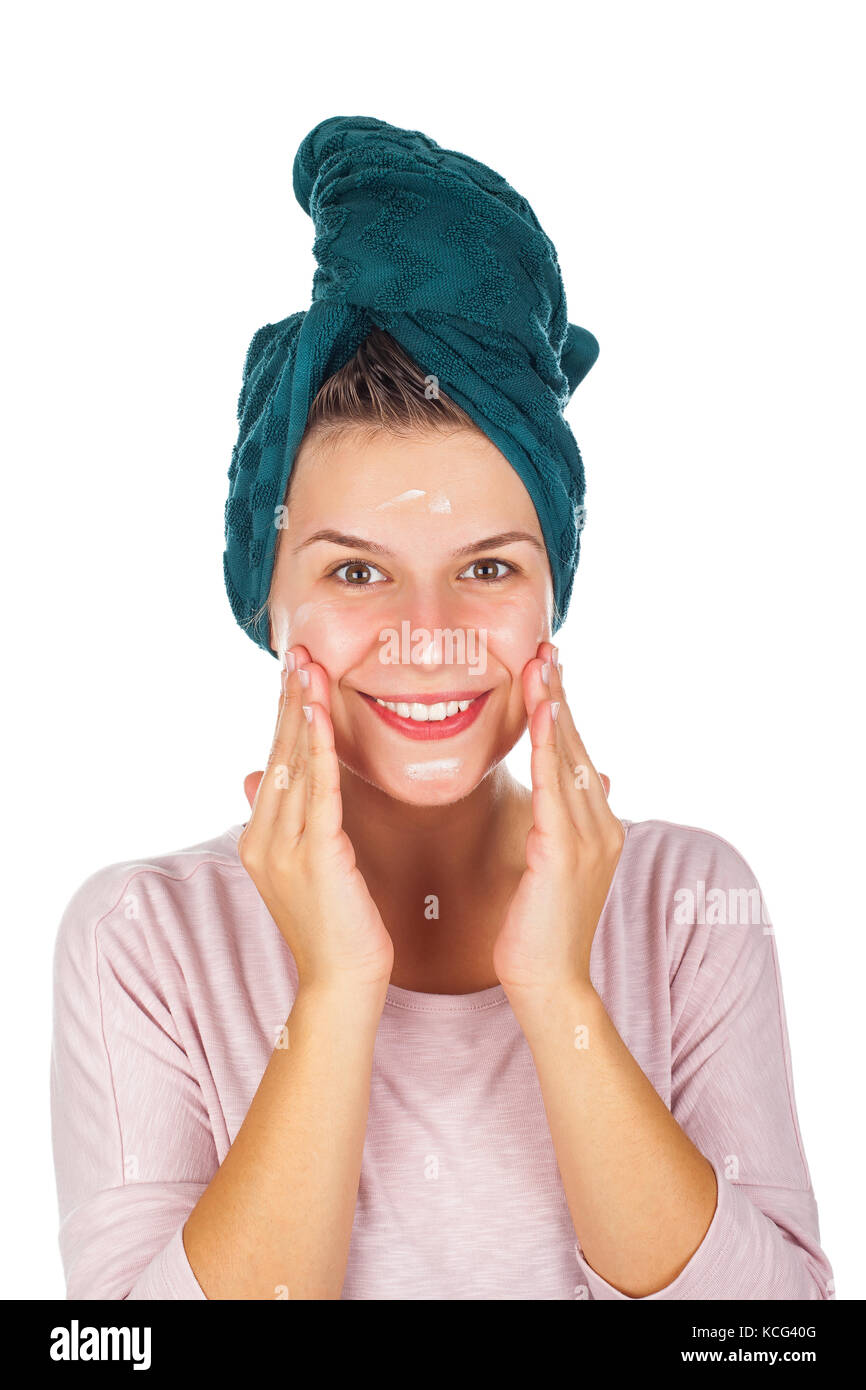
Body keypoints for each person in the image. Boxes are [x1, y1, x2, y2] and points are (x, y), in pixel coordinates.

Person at [50, 118, 834, 1301]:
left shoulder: (683, 907)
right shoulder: (145, 939)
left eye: (487, 566)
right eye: (356, 571)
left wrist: (559, 992)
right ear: (267, 600)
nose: (426, 636)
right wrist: (333, 992)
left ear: (549, 594)